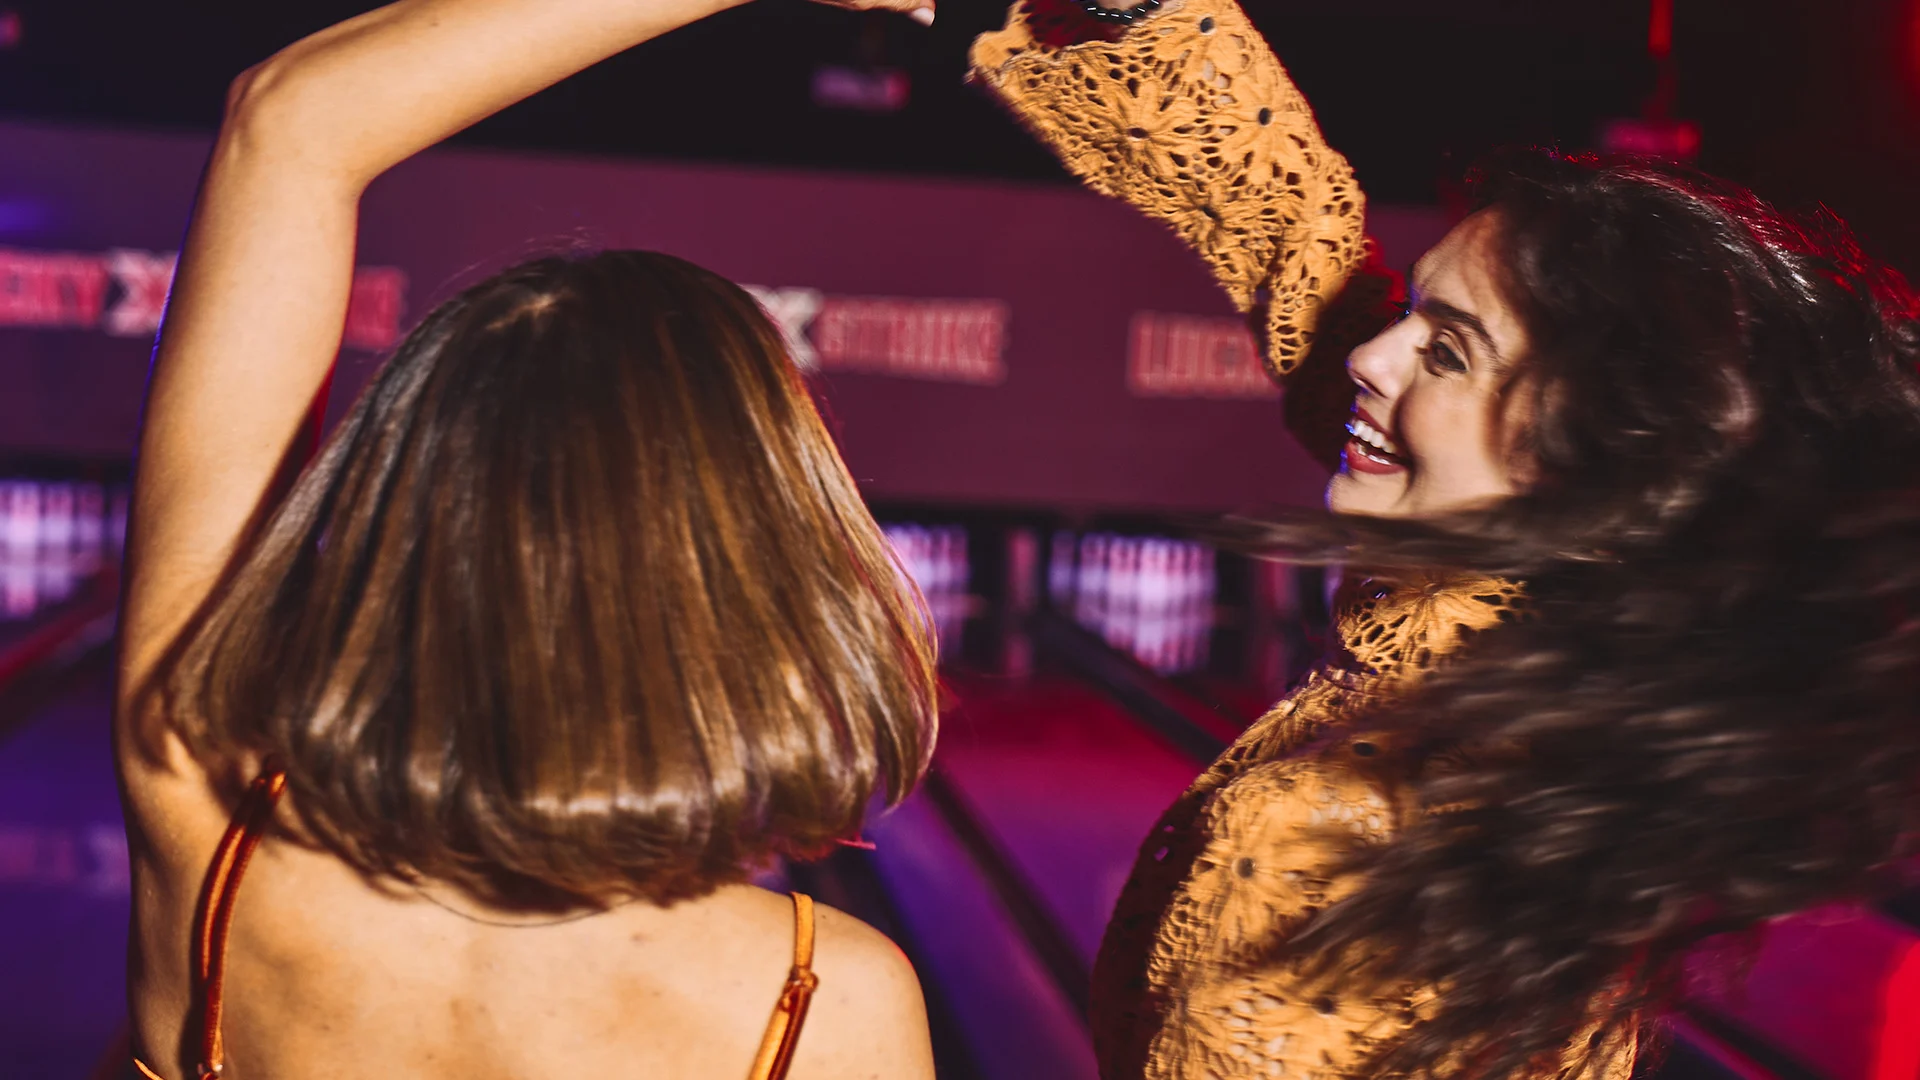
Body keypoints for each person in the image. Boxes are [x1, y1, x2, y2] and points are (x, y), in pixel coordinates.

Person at [972, 3, 1920, 1079]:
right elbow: (1299, 251)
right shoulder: (1564, 711)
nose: (1372, 355)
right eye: (1410, 315)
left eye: (1450, 351)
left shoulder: (1328, 841)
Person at [113, 1, 944, 1078]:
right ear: (757, 564)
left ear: (405, 505)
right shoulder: (825, 1002)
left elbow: (291, 121)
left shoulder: (206, 809)